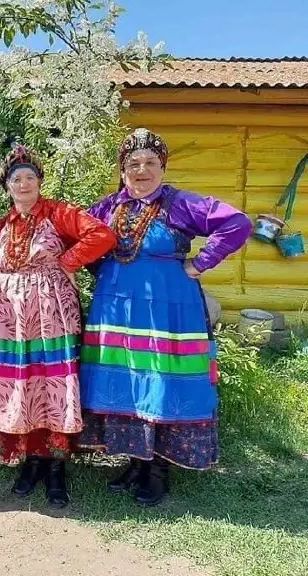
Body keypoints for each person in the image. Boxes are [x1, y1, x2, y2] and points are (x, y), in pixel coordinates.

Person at [79, 128, 252, 506]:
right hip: (117, 310)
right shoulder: (107, 208)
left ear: (162, 167)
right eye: (133, 164)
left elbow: (237, 223)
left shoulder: (179, 204)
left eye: (150, 163)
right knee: (127, 379)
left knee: (159, 380)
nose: (142, 170)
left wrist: (201, 262)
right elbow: (76, 238)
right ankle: (135, 460)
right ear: (122, 170)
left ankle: (157, 470)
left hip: (167, 311)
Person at [0, 145, 117, 506]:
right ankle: (31, 462)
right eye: (16, 179)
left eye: (30, 178)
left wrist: (67, 262)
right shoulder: (0, 226)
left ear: (40, 182)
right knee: (22, 384)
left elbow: (102, 235)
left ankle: (56, 467)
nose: (23, 184)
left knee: (52, 383)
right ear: (6, 186)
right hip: (8, 318)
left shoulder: (59, 213)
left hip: (51, 312)